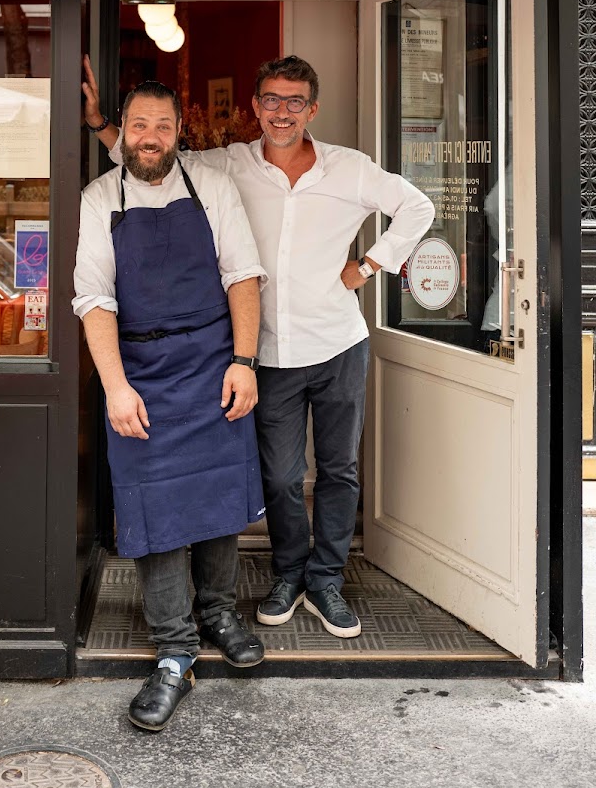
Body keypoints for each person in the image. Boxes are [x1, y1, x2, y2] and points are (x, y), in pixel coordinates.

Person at [82, 54, 434, 640]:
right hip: (266, 353)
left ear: (312, 110)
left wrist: (369, 266)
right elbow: (152, 154)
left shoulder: (350, 169)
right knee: (280, 476)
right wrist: (101, 126)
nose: (282, 111)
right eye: (271, 99)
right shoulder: (229, 165)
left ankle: (326, 580)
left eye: (295, 101)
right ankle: (289, 575)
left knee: (341, 470)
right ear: (255, 106)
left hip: (337, 342)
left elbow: (417, 206)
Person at [73, 79, 268, 732]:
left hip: (214, 364)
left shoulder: (210, 187)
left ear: (179, 131)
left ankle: (218, 612)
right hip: (140, 375)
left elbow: (242, 274)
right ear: (121, 131)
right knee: (154, 513)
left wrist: (243, 363)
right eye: (138, 125)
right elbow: (93, 298)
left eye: (162, 125)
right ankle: (175, 652)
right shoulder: (100, 198)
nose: (149, 136)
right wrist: (115, 386)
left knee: (215, 500)